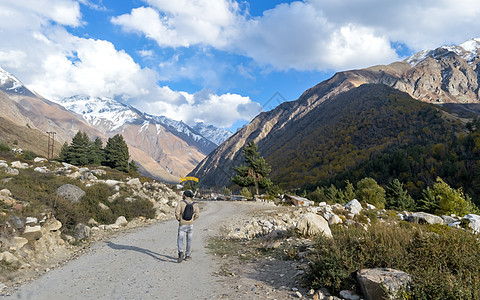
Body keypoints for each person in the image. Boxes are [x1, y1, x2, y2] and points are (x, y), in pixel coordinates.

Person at [175, 190, 199, 263]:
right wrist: (192, 220)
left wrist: (179, 219)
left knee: (180, 239)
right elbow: (197, 214)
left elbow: (177, 213)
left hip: (182, 224)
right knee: (189, 240)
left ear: (185, 196)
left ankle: (181, 252)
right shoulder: (194, 204)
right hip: (190, 225)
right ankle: (187, 255)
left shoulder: (181, 203)